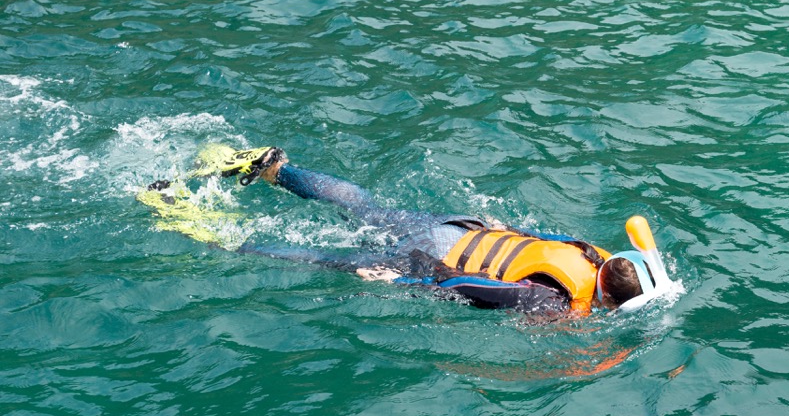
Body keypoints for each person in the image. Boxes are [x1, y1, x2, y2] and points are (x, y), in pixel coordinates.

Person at [141, 145, 656, 315]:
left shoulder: (592, 251)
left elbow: (532, 236)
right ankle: (208, 233)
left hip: (458, 228)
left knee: (363, 206)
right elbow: (474, 288)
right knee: (323, 258)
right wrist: (412, 280)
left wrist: (501, 227)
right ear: (610, 302)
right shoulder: (553, 300)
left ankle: (274, 167)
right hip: (435, 259)